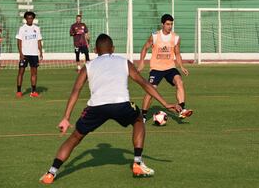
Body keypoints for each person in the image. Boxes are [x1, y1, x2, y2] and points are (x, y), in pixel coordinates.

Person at [39, 34, 181, 184]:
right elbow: (144, 83)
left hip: (96, 107)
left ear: (95, 50)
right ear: (113, 49)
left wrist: (66, 117)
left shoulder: (88, 65)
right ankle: (138, 163)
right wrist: (165, 103)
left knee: (75, 137)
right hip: (121, 104)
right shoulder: (123, 62)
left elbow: (76, 91)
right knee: (139, 119)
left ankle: (51, 173)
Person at [137, 14, 193, 122]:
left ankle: (182, 109)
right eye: (167, 24)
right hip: (156, 68)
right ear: (162, 24)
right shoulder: (154, 36)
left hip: (170, 68)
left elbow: (177, 53)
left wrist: (181, 66)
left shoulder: (175, 37)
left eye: (171, 24)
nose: (170, 26)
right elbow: (145, 48)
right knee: (151, 91)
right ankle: (143, 116)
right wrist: (141, 62)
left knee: (179, 82)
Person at [16, 11, 43, 98]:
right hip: (25, 54)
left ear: (33, 19)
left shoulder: (37, 28)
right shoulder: (22, 28)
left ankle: (33, 91)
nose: (30, 20)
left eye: (31, 18)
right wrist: (21, 53)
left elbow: (39, 41)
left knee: (34, 73)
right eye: (28, 18)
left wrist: (41, 52)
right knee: (21, 72)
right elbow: (19, 42)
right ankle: (19, 91)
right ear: (25, 19)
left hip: (34, 54)